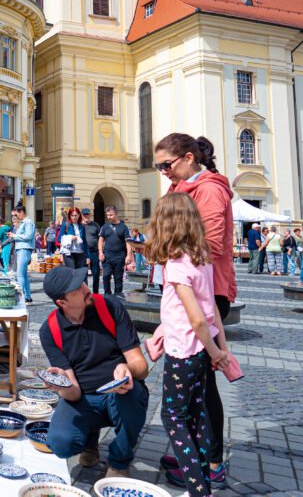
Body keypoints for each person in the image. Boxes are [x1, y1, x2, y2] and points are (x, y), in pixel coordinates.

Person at [152, 132, 236, 490]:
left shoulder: (209, 189)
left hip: (205, 295)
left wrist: (170, 249)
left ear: (188, 157)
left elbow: (211, 244)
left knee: (203, 389)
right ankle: (193, 451)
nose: (163, 172)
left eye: (166, 165)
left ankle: (210, 462)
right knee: (195, 388)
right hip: (189, 293)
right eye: (158, 166)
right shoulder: (183, 187)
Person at [39, 266, 149, 478]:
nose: (85, 288)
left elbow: (141, 366)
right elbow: (74, 393)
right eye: (76, 289)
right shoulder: (50, 330)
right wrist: (61, 384)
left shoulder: (110, 307)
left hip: (119, 392)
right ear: (62, 303)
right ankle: (90, 441)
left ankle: (119, 462)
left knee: (133, 396)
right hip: (84, 397)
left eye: (82, 281)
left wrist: (128, 369)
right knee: (60, 443)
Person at [98, 206, 132, 296]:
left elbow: (128, 242)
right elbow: (100, 240)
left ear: (116, 214)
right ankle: (107, 295)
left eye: (111, 215)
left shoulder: (124, 227)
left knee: (118, 278)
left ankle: (118, 296)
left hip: (119, 257)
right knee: (106, 276)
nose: (109, 217)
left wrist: (129, 255)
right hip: (107, 257)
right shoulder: (105, 227)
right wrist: (100, 252)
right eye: (107, 215)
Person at [9, 204, 36, 303]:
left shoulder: (28, 222)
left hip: (24, 249)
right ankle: (27, 297)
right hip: (22, 249)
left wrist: (14, 236)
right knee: (23, 275)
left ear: (21, 212)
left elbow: (28, 236)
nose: (15, 217)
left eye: (16, 215)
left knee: (20, 275)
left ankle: (20, 297)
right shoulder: (23, 223)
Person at [81, 208, 102, 291]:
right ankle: (85, 292)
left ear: (90, 215)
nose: (86, 216)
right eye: (84, 214)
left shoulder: (95, 225)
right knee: (83, 274)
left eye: (87, 214)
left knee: (96, 273)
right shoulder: (80, 225)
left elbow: (100, 238)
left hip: (94, 252)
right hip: (83, 253)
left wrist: (101, 251)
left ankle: (95, 292)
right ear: (82, 215)